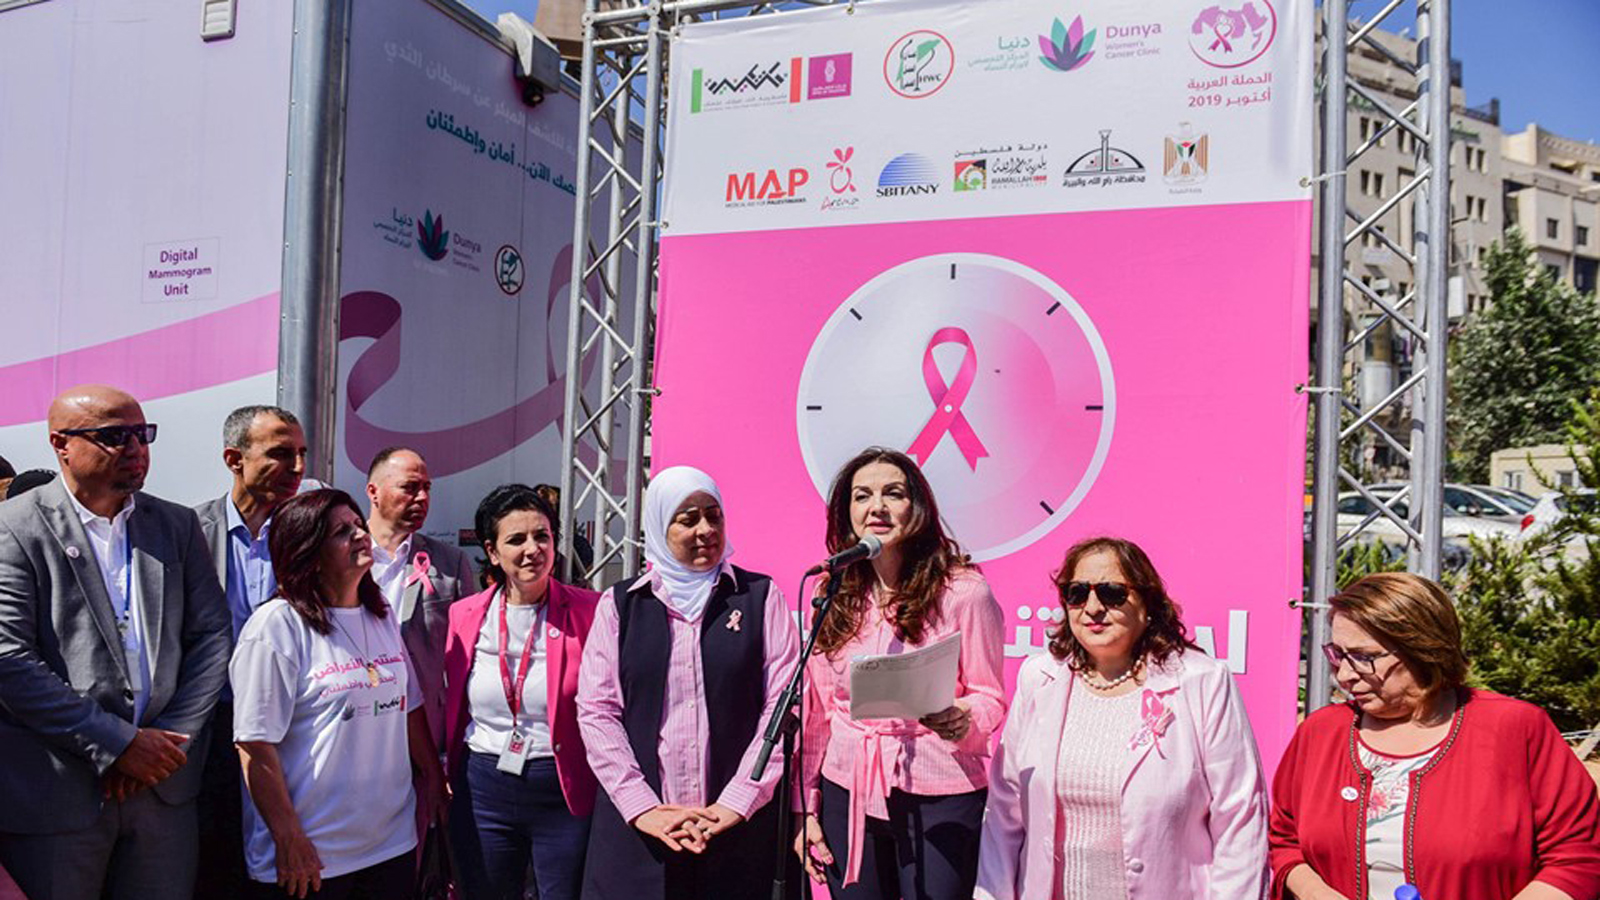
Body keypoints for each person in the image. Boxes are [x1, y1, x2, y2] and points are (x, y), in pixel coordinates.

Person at [0, 384, 231, 900]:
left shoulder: (175, 524)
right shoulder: (14, 528)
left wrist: (169, 742)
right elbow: (8, 658)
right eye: (114, 435)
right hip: (58, 796)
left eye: (142, 434)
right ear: (60, 444)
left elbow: (212, 636)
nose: (135, 448)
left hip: (162, 792)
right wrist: (119, 743)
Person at [1269, 572, 1600, 900]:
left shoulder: (1514, 728)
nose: (1343, 675)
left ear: (1422, 648)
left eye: (1363, 657)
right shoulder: (1321, 733)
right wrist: (1315, 892)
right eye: (1338, 654)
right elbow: (1284, 839)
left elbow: (1578, 857)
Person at [975, 536, 1270, 900]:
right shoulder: (1039, 679)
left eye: (1112, 593)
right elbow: (1004, 812)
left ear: (1147, 603)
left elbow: (1240, 818)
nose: (1093, 607)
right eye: (1077, 593)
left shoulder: (1202, 681)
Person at [576, 465, 801, 899]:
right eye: (688, 519)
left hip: (738, 830)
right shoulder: (621, 605)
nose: (705, 530)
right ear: (660, 526)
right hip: (641, 833)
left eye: (713, 516)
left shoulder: (759, 597)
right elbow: (597, 712)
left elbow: (784, 704)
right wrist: (643, 806)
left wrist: (738, 800)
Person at [794, 447, 1006, 900]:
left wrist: (962, 718)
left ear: (918, 508)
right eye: (862, 496)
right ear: (846, 513)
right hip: (847, 788)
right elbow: (818, 713)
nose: (877, 507)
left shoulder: (964, 591)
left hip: (939, 792)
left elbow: (989, 696)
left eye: (893, 493)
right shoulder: (832, 591)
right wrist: (807, 807)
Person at [230, 488, 447, 899]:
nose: (361, 535)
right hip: (311, 857)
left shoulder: (380, 614)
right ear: (307, 553)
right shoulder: (276, 627)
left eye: (358, 525)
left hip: (391, 845)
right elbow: (254, 746)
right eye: (341, 532)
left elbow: (410, 707)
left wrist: (434, 778)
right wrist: (288, 837)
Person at [443, 485, 600, 900]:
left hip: (562, 788)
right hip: (484, 786)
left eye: (542, 536)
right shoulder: (463, 614)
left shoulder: (593, 610)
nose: (533, 549)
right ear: (492, 552)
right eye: (516, 539)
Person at [193, 405, 308, 898]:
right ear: (233, 459)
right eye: (281, 454)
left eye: (301, 453)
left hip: (291, 729)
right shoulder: (190, 531)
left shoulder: (308, 534)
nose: (297, 468)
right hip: (212, 727)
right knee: (215, 858)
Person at [364, 447, 475, 749]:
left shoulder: (450, 562)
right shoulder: (341, 554)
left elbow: (466, 654)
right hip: (357, 715)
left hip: (425, 722)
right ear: (374, 492)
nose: (422, 497)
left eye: (427, 488)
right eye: (410, 487)